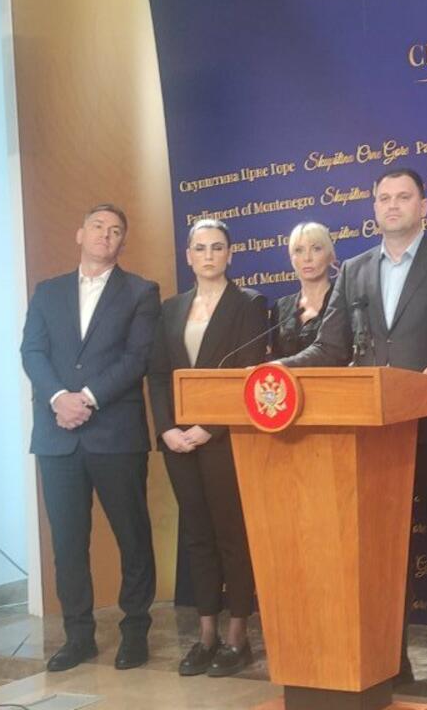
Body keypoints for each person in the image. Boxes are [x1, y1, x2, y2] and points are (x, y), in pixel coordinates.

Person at [277, 167, 427, 704]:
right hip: (374, 435)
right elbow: (330, 348)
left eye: (403, 197)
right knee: (381, 554)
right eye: (383, 198)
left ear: (424, 206)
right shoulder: (353, 270)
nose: (392, 205)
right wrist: (279, 369)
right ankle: (390, 661)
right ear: (373, 208)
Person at [20, 203, 160, 672]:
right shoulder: (48, 292)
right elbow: (32, 352)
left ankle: (135, 631)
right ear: (80, 234)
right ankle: (78, 636)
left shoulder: (141, 291)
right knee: (67, 542)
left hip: (115, 434)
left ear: (123, 242)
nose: (105, 235)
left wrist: (88, 398)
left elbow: (137, 358)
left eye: (115, 230)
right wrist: (59, 397)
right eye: (97, 226)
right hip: (56, 435)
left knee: (132, 536)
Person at [147, 218, 268, 678]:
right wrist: (166, 429)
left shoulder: (249, 304)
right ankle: (206, 636)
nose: (209, 255)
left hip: (225, 438)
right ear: (189, 256)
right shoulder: (171, 309)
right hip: (178, 442)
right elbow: (159, 375)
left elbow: (248, 375)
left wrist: (208, 428)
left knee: (230, 535)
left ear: (230, 254)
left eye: (217, 247)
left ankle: (238, 637)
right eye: (200, 248)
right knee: (196, 535)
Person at [273, 221, 336, 358]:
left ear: (330, 256)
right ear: (292, 259)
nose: (307, 258)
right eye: (299, 250)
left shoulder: (342, 300)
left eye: (316, 249)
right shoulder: (281, 307)